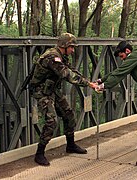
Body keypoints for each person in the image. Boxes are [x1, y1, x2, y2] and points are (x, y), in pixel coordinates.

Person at [30, 33, 95, 166]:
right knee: (51, 121)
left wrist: (89, 81)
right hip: (41, 91)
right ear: (64, 46)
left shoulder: (62, 56)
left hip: (52, 89)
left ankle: (70, 145)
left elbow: (72, 70)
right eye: (71, 47)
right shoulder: (52, 57)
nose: (73, 50)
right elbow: (67, 75)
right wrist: (89, 84)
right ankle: (39, 153)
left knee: (69, 114)